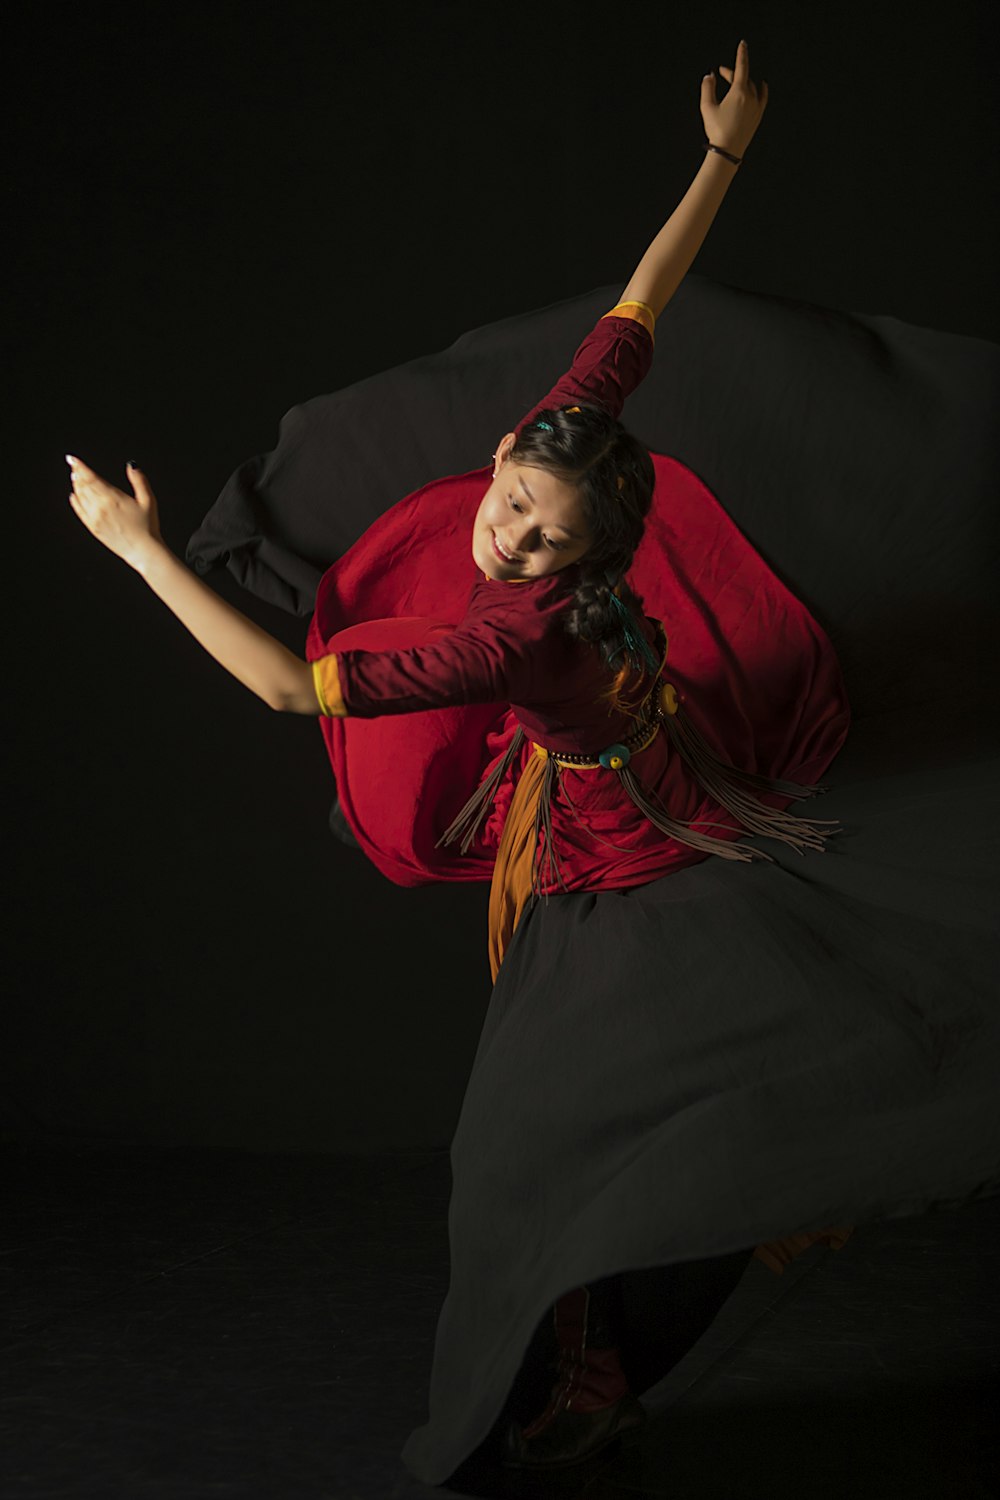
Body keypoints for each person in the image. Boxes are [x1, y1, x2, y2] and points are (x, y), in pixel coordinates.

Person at [67, 39, 858, 1479]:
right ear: (511, 446)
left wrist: (137, 553)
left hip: (629, 882)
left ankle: (597, 1366)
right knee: (547, 1157)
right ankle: (596, 1363)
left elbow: (280, 695)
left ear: (604, 549)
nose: (510, 535)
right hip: (586, 834)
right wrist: (727, 152)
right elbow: (645, 298)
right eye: (509, 503)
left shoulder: (510, 641)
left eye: (549, 536)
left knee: (543, 1161)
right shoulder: (581, 435)